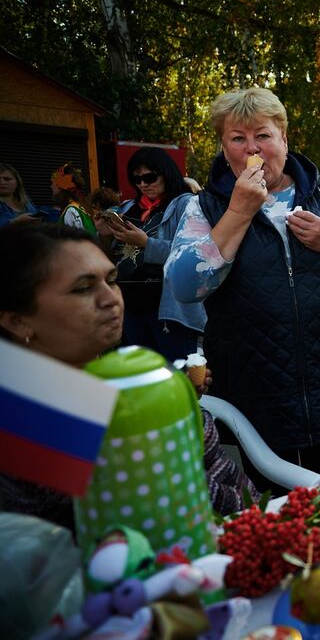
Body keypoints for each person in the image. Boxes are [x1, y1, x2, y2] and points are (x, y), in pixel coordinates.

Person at [165, 87, 320, 490]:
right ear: (223, 145)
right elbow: (183, 286)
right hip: (255, 387)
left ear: (283, 138)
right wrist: (239, 211)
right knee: (274, 505)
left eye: (263, 136)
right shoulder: (205, 206)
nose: (253, 148)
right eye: (238, 138)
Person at [0, 223, 256, 528]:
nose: (110, 299)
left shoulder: (129, 380)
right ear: (17, 321)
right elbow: (168, 507)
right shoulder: (25, 422)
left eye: (112, 280)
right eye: (83, 288)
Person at [104, 147, 205, 360]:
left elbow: (194, 254)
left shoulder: (187, 204)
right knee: (144, 379)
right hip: (130, 306)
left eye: (149, 177)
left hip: (168, 310)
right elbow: (114, 256)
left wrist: (146, 244)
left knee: (180, 377)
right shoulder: (127, 207)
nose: (143, 184)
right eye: (137, 179)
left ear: (166, 172)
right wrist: (104, 234)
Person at [52, 163, 96, 234]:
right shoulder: (83, 208)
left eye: (53, 183)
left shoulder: (71, 211)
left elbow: (75, 242)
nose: (51, 186)